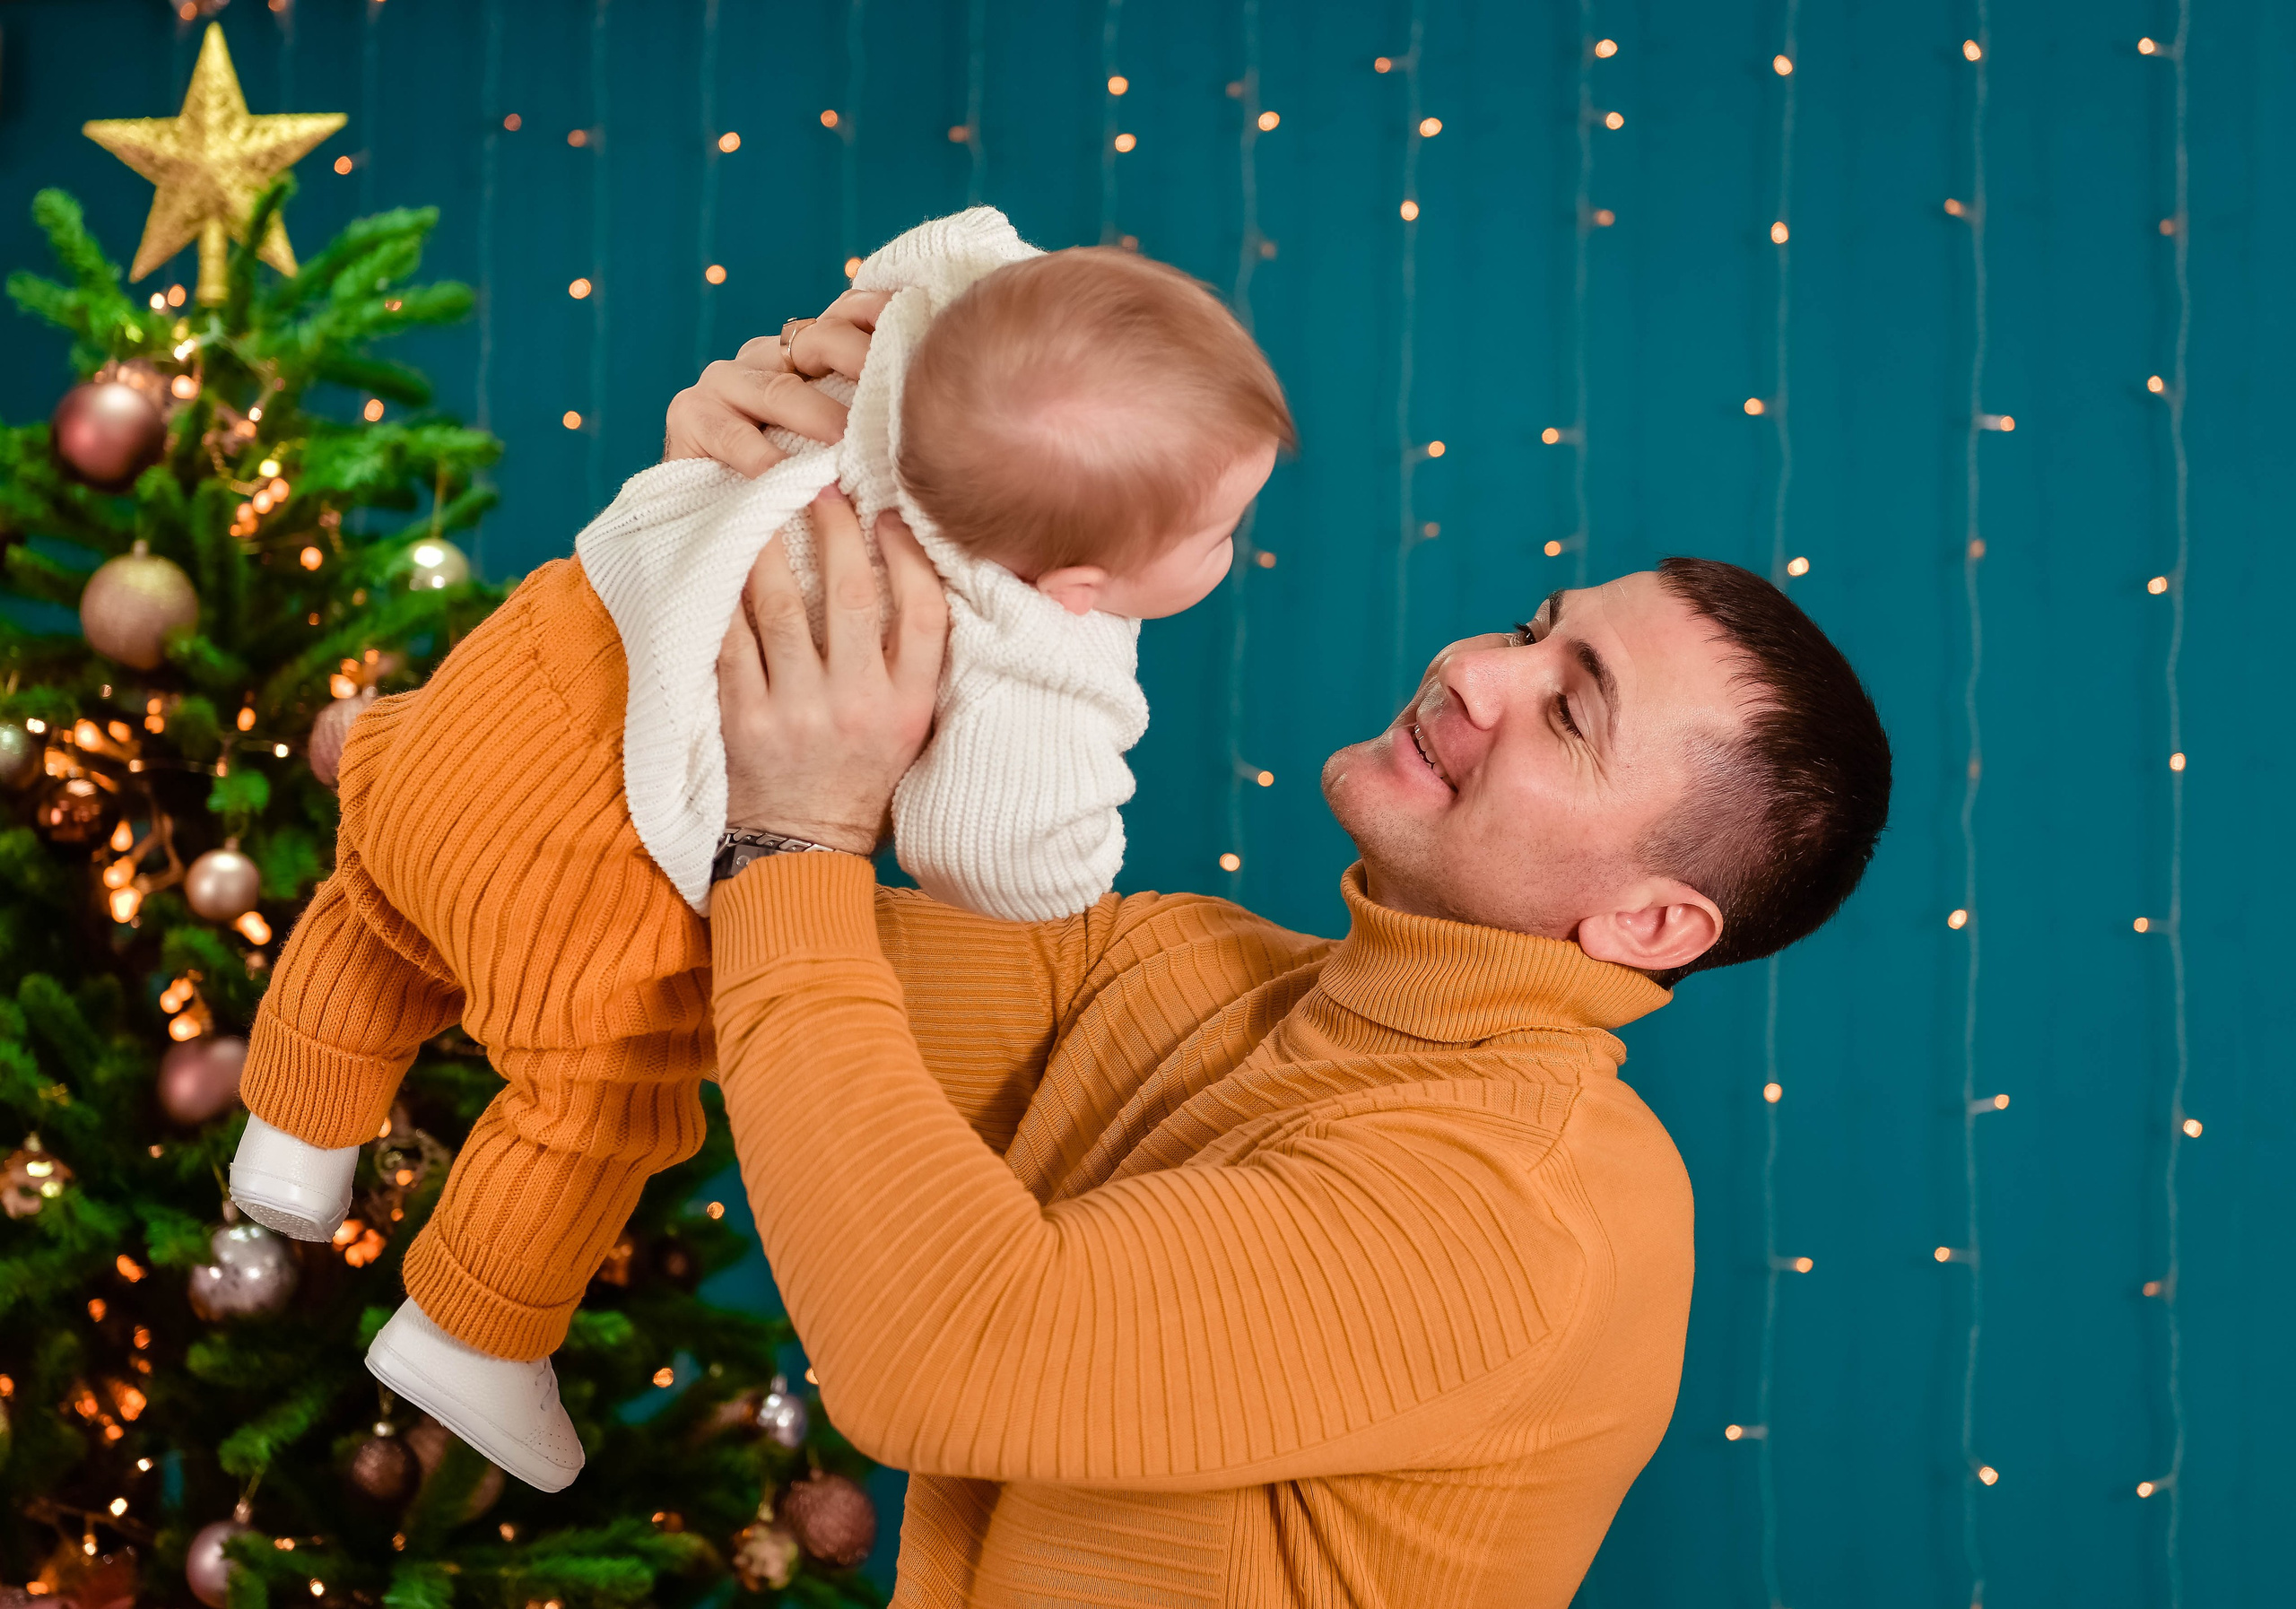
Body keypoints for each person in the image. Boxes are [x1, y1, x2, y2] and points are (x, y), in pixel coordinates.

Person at [680, 331, 1891, 1605]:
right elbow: (702, 937)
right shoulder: (1187, 964)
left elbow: (943, 1351)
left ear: (1650, 925)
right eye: (1533, 629)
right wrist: (729, 521)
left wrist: (797, 835)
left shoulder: (1524, 1213)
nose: (1474, 669)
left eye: (1571, 712)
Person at [224, 213, 1294, 1494]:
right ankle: (469, 1333)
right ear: (1077, 577)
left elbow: (957, 240)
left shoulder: (902, 355)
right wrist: (1086, 670)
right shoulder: (1025, 633)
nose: (1231, 551)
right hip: (602, 850)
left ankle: (291, 1131)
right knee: (599, 1101)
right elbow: (1008, 861)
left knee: (383, 907)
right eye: (1218, 534)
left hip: (499, 697)